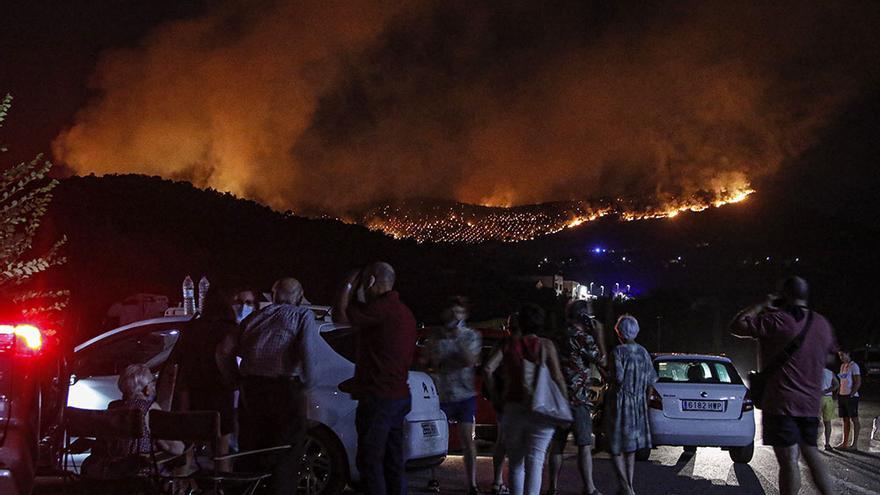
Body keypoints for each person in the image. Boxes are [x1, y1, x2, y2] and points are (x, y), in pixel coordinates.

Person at [730, 276, 837, 495]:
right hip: (810, 403)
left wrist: (762, 304)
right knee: (811, 453)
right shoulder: (822, 324)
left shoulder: (777, 320)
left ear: (784, 295)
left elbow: (736, 325)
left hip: (781, 402)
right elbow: (830, 357)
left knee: (788, 460)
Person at [222, 277, 318, 495]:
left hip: (251, 391)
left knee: (251, 452)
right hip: (284, 390)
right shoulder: (303, 315)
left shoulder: (254, 318)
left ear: (273, 296)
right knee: (286, 454)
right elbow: (308, 354)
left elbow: (224, 351)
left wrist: (235, 379)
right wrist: (307, 386)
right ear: (300, 297)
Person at [334, 262, 417, 495]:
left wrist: (348, 284)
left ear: (371, 281)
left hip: (379, 397)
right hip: (398, 395)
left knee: (370, 463)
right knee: (393, 462)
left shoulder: (381, 310)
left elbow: (340, 316)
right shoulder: (404, 312)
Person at [483, 304, 568, 495]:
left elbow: (488, 369)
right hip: (540, 409)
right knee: (536, 461)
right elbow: (558, 377)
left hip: (512, 408)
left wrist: (496, 398)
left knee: (515, 463)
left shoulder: (508, 345)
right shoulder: (546, 346)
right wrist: (563, 404)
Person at [82, 364, 184, 479]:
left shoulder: (113, 407)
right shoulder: (150, 408)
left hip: (110, 473)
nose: (154, 386)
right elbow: (176, 448)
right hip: (138, 473)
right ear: (146, 389)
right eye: (152, 381)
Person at [423, 297, 482, 495]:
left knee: (467, 440)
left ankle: (472, 484)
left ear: (465, 315)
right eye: (452, 312)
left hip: (465, 394)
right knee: (437, 439)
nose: (455, 317)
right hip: (442, 394)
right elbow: (427, 361)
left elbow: (470, 360)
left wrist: (457, 338)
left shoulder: (471, 336)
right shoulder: (436, 336)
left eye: (459, 313)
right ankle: (433, 478)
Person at [175, 286, 238, 471]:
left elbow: (180, 361)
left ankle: (185, 486)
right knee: (222, 451)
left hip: (194, 395)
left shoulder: (192, 327)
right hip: (221, 395)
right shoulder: (230, 328)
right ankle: (220, 488)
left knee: (188, 450)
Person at [547, 300, 606, 495]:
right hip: (579, 397)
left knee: (558, 444)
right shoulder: (582, 337)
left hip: (558, 396)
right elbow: (601, 358)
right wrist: (599, 335)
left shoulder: (557, 335)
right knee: (584, 444)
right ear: (583, 316)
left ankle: (552, 487)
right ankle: (589, 487)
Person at [605, 315, 655, 495]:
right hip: (639, 403)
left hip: (621, 402)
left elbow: (617, 378)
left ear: (620, 331)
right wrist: (645, 402)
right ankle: (628, 486)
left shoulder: (618, 352)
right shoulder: (643, 352)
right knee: (630, 448)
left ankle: (626, 487)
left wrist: (605, 373)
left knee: (616, 446)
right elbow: (651, 381)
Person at [836, 349, 862, 450]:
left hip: (851, 397)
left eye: (842, 355)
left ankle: (854, 444)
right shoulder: (842, 366)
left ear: (848, 353)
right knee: (845, 420)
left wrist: (851, 394)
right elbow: (842, 380)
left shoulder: (854, 366)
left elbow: (858, 382)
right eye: (839, 356)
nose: (841, 358)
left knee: (854, 419)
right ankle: (844, 443)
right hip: (842, 396)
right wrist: (839, 391)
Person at [820, 365, 839, 451]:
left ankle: (812, 444)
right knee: (827, 423)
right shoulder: (829, 372)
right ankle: (827, 444)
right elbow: (836, 385)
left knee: (813, 422)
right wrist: (827, 390)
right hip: (828, 398)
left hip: (816, 399)